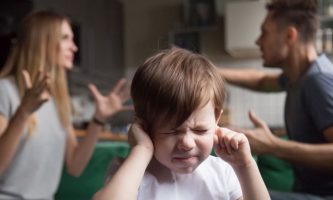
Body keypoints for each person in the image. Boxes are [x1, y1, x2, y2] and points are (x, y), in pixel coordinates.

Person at [92, 47, 270, 200]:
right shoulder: (130, 173)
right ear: (144, 128)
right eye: (171, 132)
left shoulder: (223, 172)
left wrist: (244, 166)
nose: (187, 143)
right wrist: (142, 151)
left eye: (200, 130)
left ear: (216, 120)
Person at [0, 10, 133, 199]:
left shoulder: (58, 100)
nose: (74, 47)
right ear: (41, 42)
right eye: (65, 38)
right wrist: (23, 112)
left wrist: (98, 119)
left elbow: (75, 166)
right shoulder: (4, 90)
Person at [218, 0, 333, 199]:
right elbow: (261, 80)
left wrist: (272, 146)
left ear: (289, 36)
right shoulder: (298, 77)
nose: (258, 41)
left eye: (265, 33)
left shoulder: (318, 80)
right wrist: (206, 69)